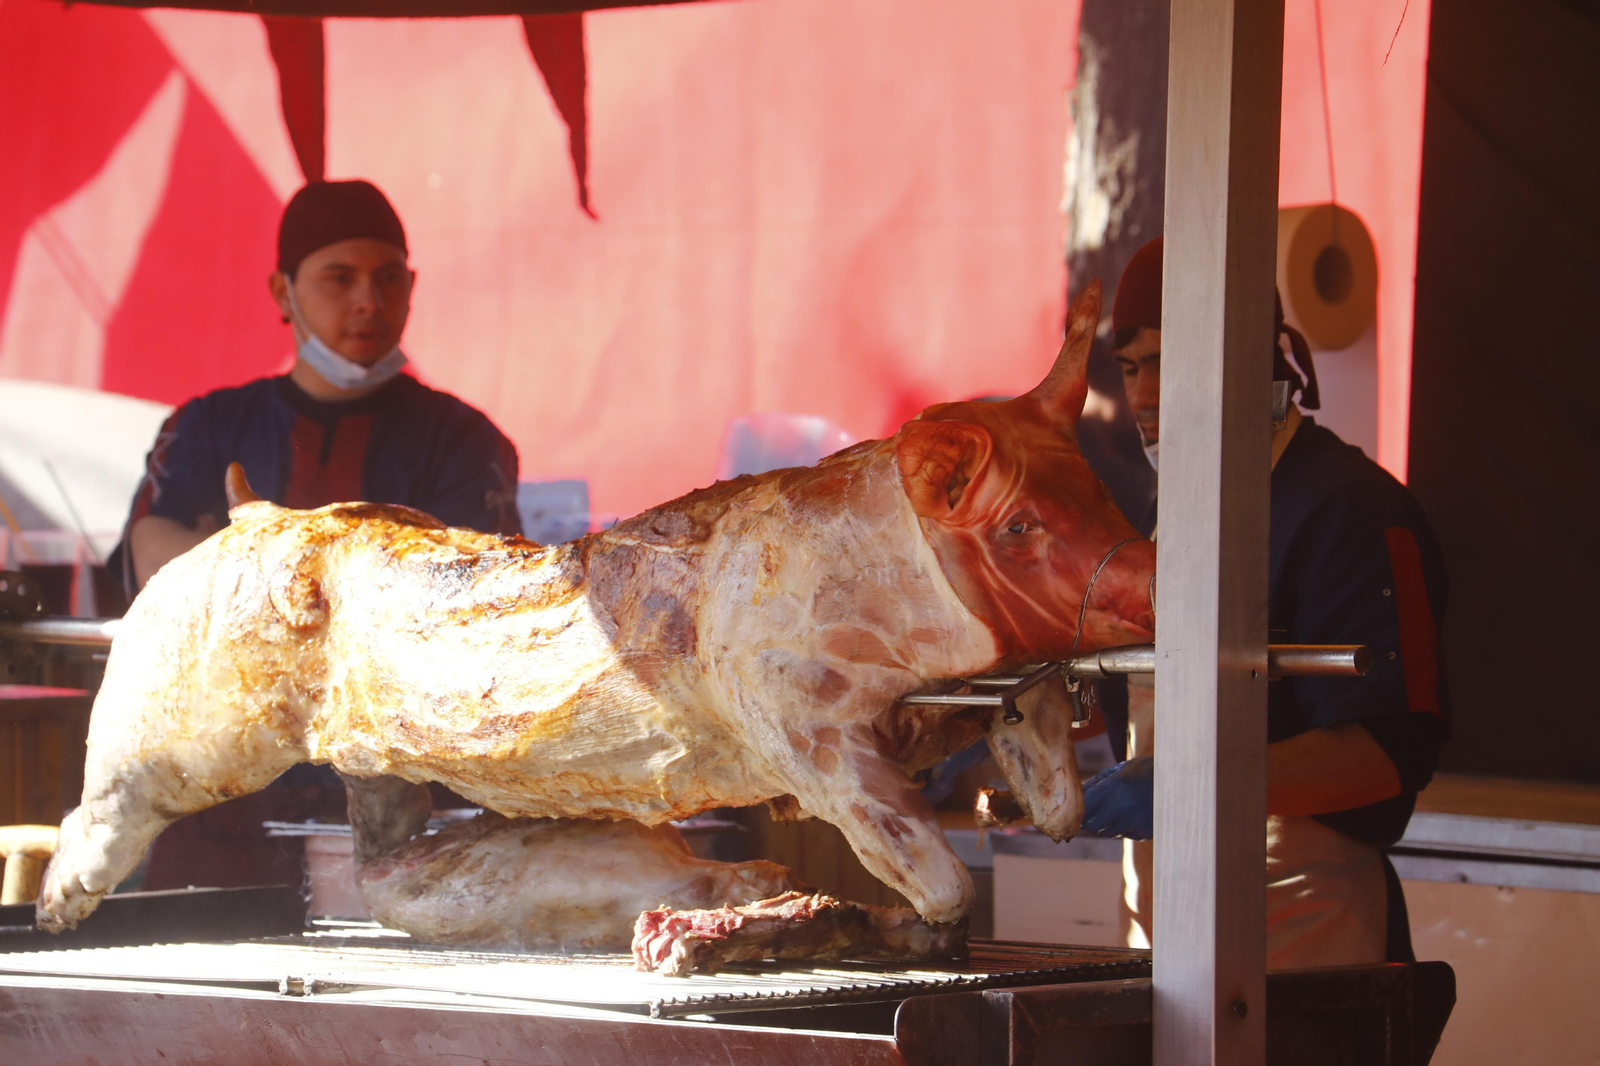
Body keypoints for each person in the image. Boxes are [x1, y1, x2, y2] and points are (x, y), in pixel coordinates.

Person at [109, 179, 522, 892]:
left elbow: (459, 600)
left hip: (413, 802)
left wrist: (227, 559)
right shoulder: (208, 426)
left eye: (389, 279)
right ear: (282, 291)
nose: (369, 301)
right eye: (339, 278)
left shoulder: (463, 440)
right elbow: (153, 553)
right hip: (223, 806)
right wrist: (363, 570)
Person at [1083, 237, 1450, 968]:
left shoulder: (1351, 511)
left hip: (1312, 947)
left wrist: (1194, 783)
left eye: (1166, 361)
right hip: (1166, 944)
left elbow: (1390, 752)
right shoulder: (1171, 516)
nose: (1144, 395)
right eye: (1130, 367)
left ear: (1250, 358)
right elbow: (1153, 705)